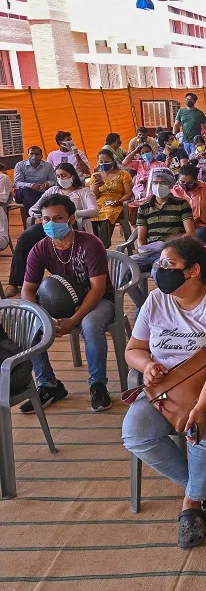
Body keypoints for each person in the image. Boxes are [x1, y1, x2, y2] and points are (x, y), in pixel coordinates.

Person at [122, 236, 206, 548]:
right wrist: (145, 366)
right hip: (168, 387)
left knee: (205, 437)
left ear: (193, 271)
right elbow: (134, 349)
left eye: (169, 264)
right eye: (159, 264)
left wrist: (201, 406)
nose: (159, 270)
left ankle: (190, 504)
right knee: (135, 434)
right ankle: (204, 492)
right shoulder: (156, 300)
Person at [20, 194, 116, 413]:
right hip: (61, 302)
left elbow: (98, 288)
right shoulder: (40, 248)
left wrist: (73, 320)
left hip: (99, 300)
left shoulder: (91, 244)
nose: (51, 224)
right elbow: (28, 289)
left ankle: (98, 384)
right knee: (30, 324)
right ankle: (48, 385)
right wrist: (43, 318)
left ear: (71, 219)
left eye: (58, 218)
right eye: (46, 219)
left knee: (90, 325)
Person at [5, 163, 99, 297]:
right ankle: (15, 282)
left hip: (73, 225)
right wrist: (37, 214)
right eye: (58, 176)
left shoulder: (83, 191)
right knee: (25, 238)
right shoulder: (52, 191)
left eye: (64, 175)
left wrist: (73, 215)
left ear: (72, 176)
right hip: (50, 224)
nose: (61, 178)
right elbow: (34, 208)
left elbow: (94, 210)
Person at [132, 167, 195, 273]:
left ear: (170, 185)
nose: (158, 186)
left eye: (163, 182)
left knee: (158, 269)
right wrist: (142, 249)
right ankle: (136, 291)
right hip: (150, 252)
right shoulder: (144, 208)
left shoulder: (181, 204)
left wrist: (170, 245)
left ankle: (161, 290)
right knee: (124, 265)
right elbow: (141, 238)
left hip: (172, 251)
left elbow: (190, 232)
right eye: (155, 182)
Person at [89, 148, 133, 247]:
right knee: (91, 215)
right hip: (99, 203)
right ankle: (93, 245)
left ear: (113, 161)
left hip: (117, 204)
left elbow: (128, 194)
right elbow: (94, 197)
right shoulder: (96, 176)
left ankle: (103, 245)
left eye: (107, 161)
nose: (104, 164)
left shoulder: (123, 174)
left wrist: (119, 201)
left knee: (107, 214)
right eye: (101, 162)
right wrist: (96, 186)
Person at [171, 165, 206, 243]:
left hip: (201, 226)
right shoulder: (173, 191)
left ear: (196, 180)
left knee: (192, 238)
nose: (185, 185)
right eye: (182, 182)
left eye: (190, 183)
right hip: (179, 227)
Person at [13, 146, 56, 227]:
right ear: (28, 155)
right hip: (22, 192)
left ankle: (29, 227)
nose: (34, 156)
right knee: (27, 191)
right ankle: (39, 211)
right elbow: (17, 182)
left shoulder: (48, 166)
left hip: (41, 193)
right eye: (31, 154)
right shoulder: (20, 165)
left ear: (41, 156)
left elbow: (53, 181)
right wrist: (30, 185)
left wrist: (47, 184)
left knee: (27, 201)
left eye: (36, 154)